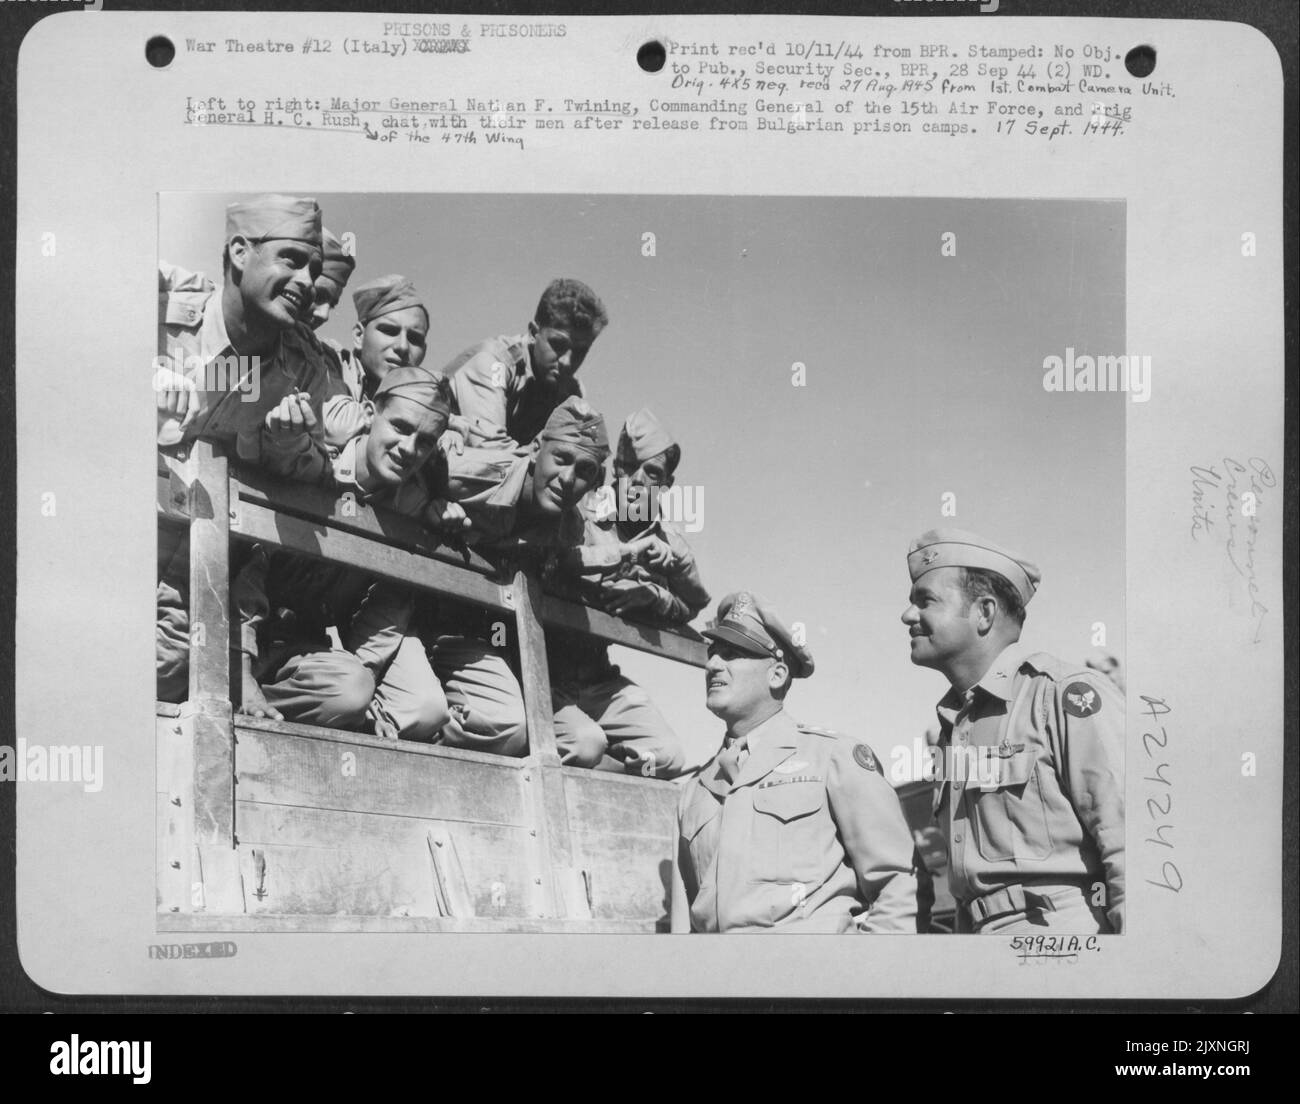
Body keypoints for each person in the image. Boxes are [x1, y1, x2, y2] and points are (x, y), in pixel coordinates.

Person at [157, 194, 336, 702]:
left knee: (177, 665)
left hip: (209, 571)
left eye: (315, 269)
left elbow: (318, 474)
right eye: (292, 260)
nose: (307, 282)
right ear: (240, 252)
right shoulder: (158, 298)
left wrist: (286, 446)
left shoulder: (304, 368)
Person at [901, 527, 1125, 934]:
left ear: (984, 613)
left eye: (925, 601)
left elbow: (1131, 845)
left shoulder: (1062, 695)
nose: (908, 615)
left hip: (1062, 949)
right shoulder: (956, 723)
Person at [672, 591, 918, 933]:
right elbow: (683, 922)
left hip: (813, 979)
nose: (712, 664)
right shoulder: (693, 793)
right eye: (713, 654)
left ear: (776, 674)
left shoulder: (833, 757)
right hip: (721, 982)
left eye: (731, 654)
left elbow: (898, 886)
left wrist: (862, 975)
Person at [233, 366, 454, 739]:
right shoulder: (313, 464)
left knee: (352, 692)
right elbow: (251, 564)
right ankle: (234, 688)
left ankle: (268, 703)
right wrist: (239, 669)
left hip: (302, 648)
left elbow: (390, 601)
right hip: (237, 629)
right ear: (369, 414)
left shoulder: (408, 508)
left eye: (426, 441)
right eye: (400, 427)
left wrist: (365, 681)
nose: (409, 449)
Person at [421, 397, 610, 763]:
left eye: (585, 470)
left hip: (505, 643)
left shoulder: (569, 527)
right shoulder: (469, 473)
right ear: (537, 448)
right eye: (562, 459)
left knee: (586, 742)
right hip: (437, 625)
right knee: (506, 723)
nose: (569, 479)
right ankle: (424, 757)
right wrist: (428, 507)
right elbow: (398, 468)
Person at [548, 409, 710, 778]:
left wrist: (653, 597)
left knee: (667, 756)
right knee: (584, 743)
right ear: (617, 469)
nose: (637, 481)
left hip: (597, 676)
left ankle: (603, 768)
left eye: (651, 473)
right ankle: (595, 758)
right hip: (547, 667)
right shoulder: (581, 509)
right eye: (629, 467)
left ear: (667, 483)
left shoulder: (668, 542)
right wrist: (618, 557)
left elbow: (694, 604)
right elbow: (553, 561)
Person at [442, 278, 608, 450]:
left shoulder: (571, 391)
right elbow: (491, 451)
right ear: (533, 333)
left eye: (580, 352)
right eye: (558, 345)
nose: (567, 361)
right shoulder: (494, 363)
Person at [322, 275, 431, 451]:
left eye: (414, 338)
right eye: (389, 331)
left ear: (424, 351)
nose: (402, 347)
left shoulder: (426, 396)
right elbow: (338, 428)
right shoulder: (330, 361)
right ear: (359, 336)